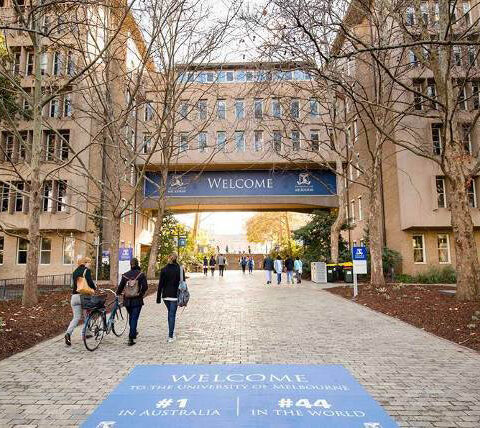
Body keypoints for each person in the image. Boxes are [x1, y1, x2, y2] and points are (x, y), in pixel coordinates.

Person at [116, 258, 148, 346]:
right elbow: (145, 287)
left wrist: (118, 293)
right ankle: (131, 337)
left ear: (130, 265)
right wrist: (140, 293)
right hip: (137, 300)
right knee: (134, 318)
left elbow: (120, 287)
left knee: (131, 317)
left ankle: (133, 332)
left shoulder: (125, 275)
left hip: (127, 300)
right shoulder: (141, 275)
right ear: (137, 264)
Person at [65, 256, 96, 346]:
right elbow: (90, 282)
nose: (89, 264)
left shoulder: (74, 272)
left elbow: (73, 285)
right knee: (87, 315)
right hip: (84, 297)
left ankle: (68, 333)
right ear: (85, 263)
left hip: (74, 297)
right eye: (88, 262)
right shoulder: (86, 270)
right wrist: (94, 288)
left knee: (76, 317)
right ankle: (85, 333)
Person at [157, 253, 181, 343]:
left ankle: (171, 332)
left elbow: (160, 284)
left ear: (168, 258)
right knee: (172, 314)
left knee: (170, 313)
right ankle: (170, 336)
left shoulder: (164, 269)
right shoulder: (179, 269)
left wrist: (158, 297)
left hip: (165, 296)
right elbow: (183, 283)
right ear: (176, 259)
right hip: (175, 295)